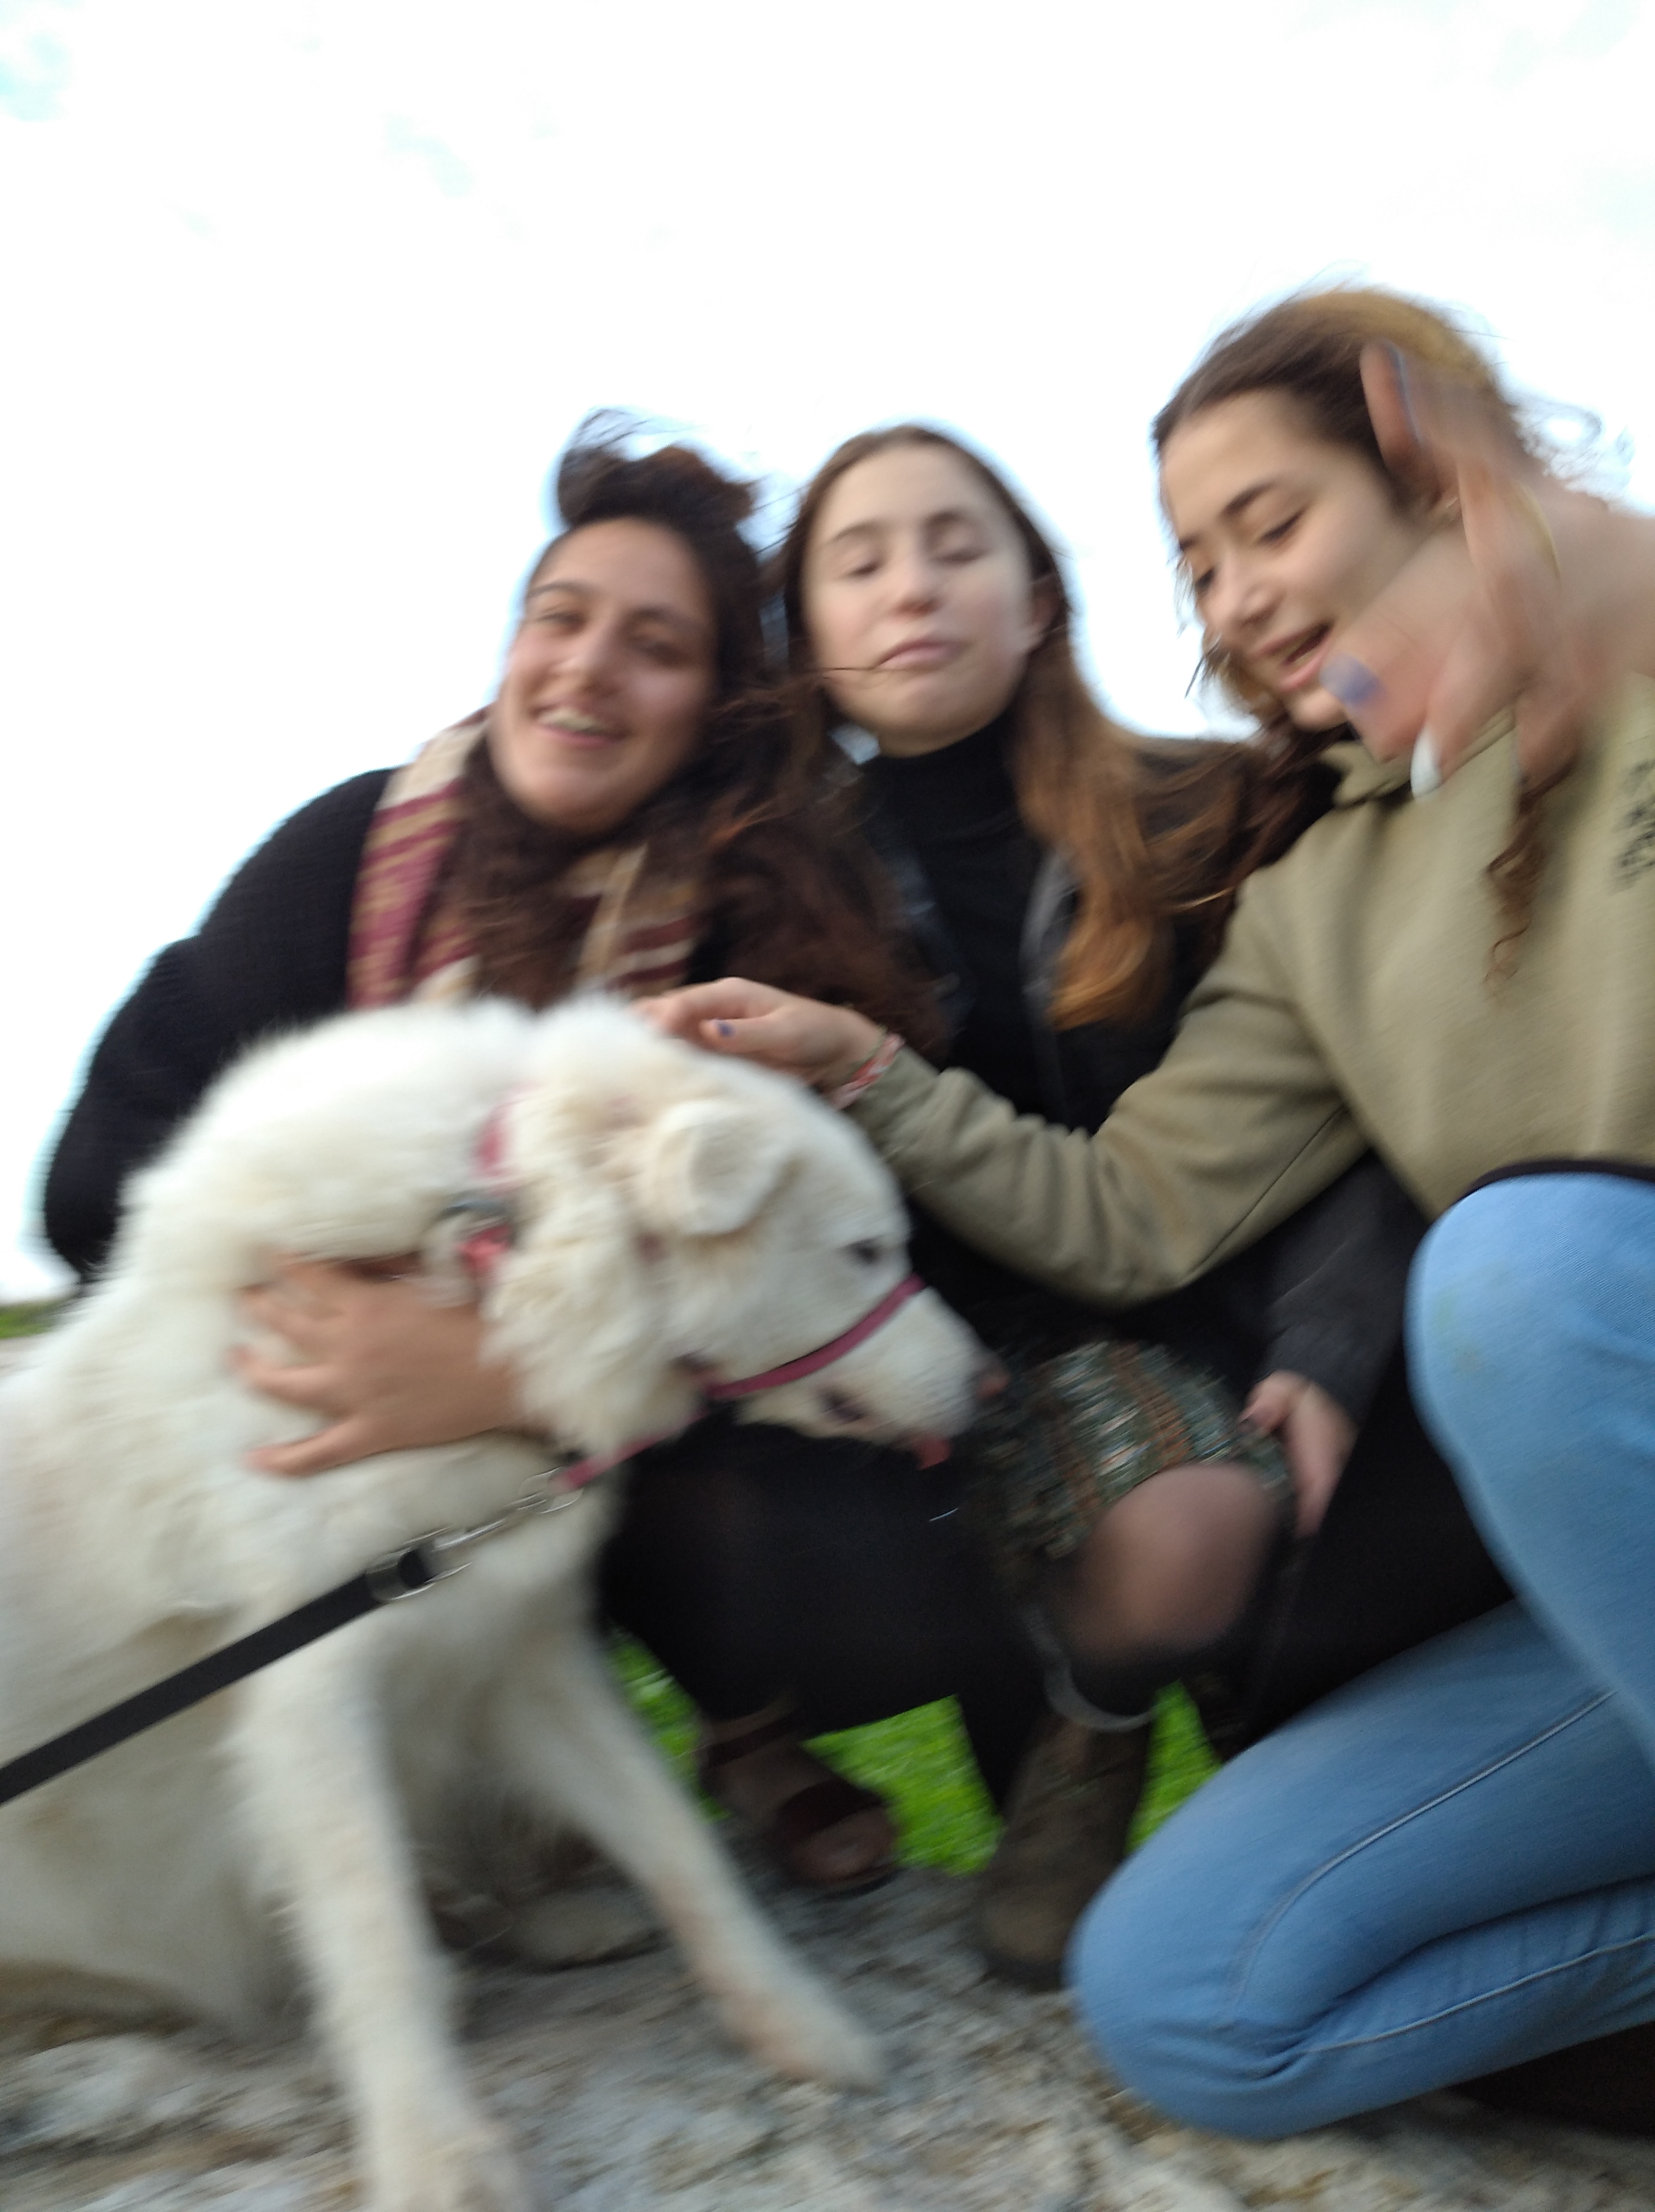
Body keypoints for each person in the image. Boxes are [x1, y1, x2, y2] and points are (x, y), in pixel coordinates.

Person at [643, 283, 1655, 2133]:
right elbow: (1128, 1211)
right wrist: (868, 1073)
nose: (1240, 597)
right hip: (1603, 1575)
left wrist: (1618, 569)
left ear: (1432, 467)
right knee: (1186, 1996)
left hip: (1562, 1347)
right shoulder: (1318, 893)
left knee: (1519, 1272)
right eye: (1201, 564)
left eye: (1273, 523)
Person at [42, 418, 1044, 1903]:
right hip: (312, 1415)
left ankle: (728, 1722)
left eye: (655, 646)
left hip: (640, 1464)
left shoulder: (762, 931)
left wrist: (500, 1368)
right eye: (558, 618)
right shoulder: (353, 855)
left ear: (716, 707)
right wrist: (343, 1321)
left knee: (732, 1495)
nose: (586, 668)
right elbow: (92, 1184)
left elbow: (815, 1283)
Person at [763, 420, 1445, 1985]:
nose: (911, 587)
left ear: (1037, 602)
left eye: (957, 546)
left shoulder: (1207, 809)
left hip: (1219, 1308)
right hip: (953, 1360)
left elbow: (1351, 1096)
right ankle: (1088, 1729)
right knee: (1171, 1542)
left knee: (1294, 1752)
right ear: (808, 640)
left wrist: (1330, 1340)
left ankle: (1231, 1806)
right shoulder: (773, 880)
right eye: (858, 562)